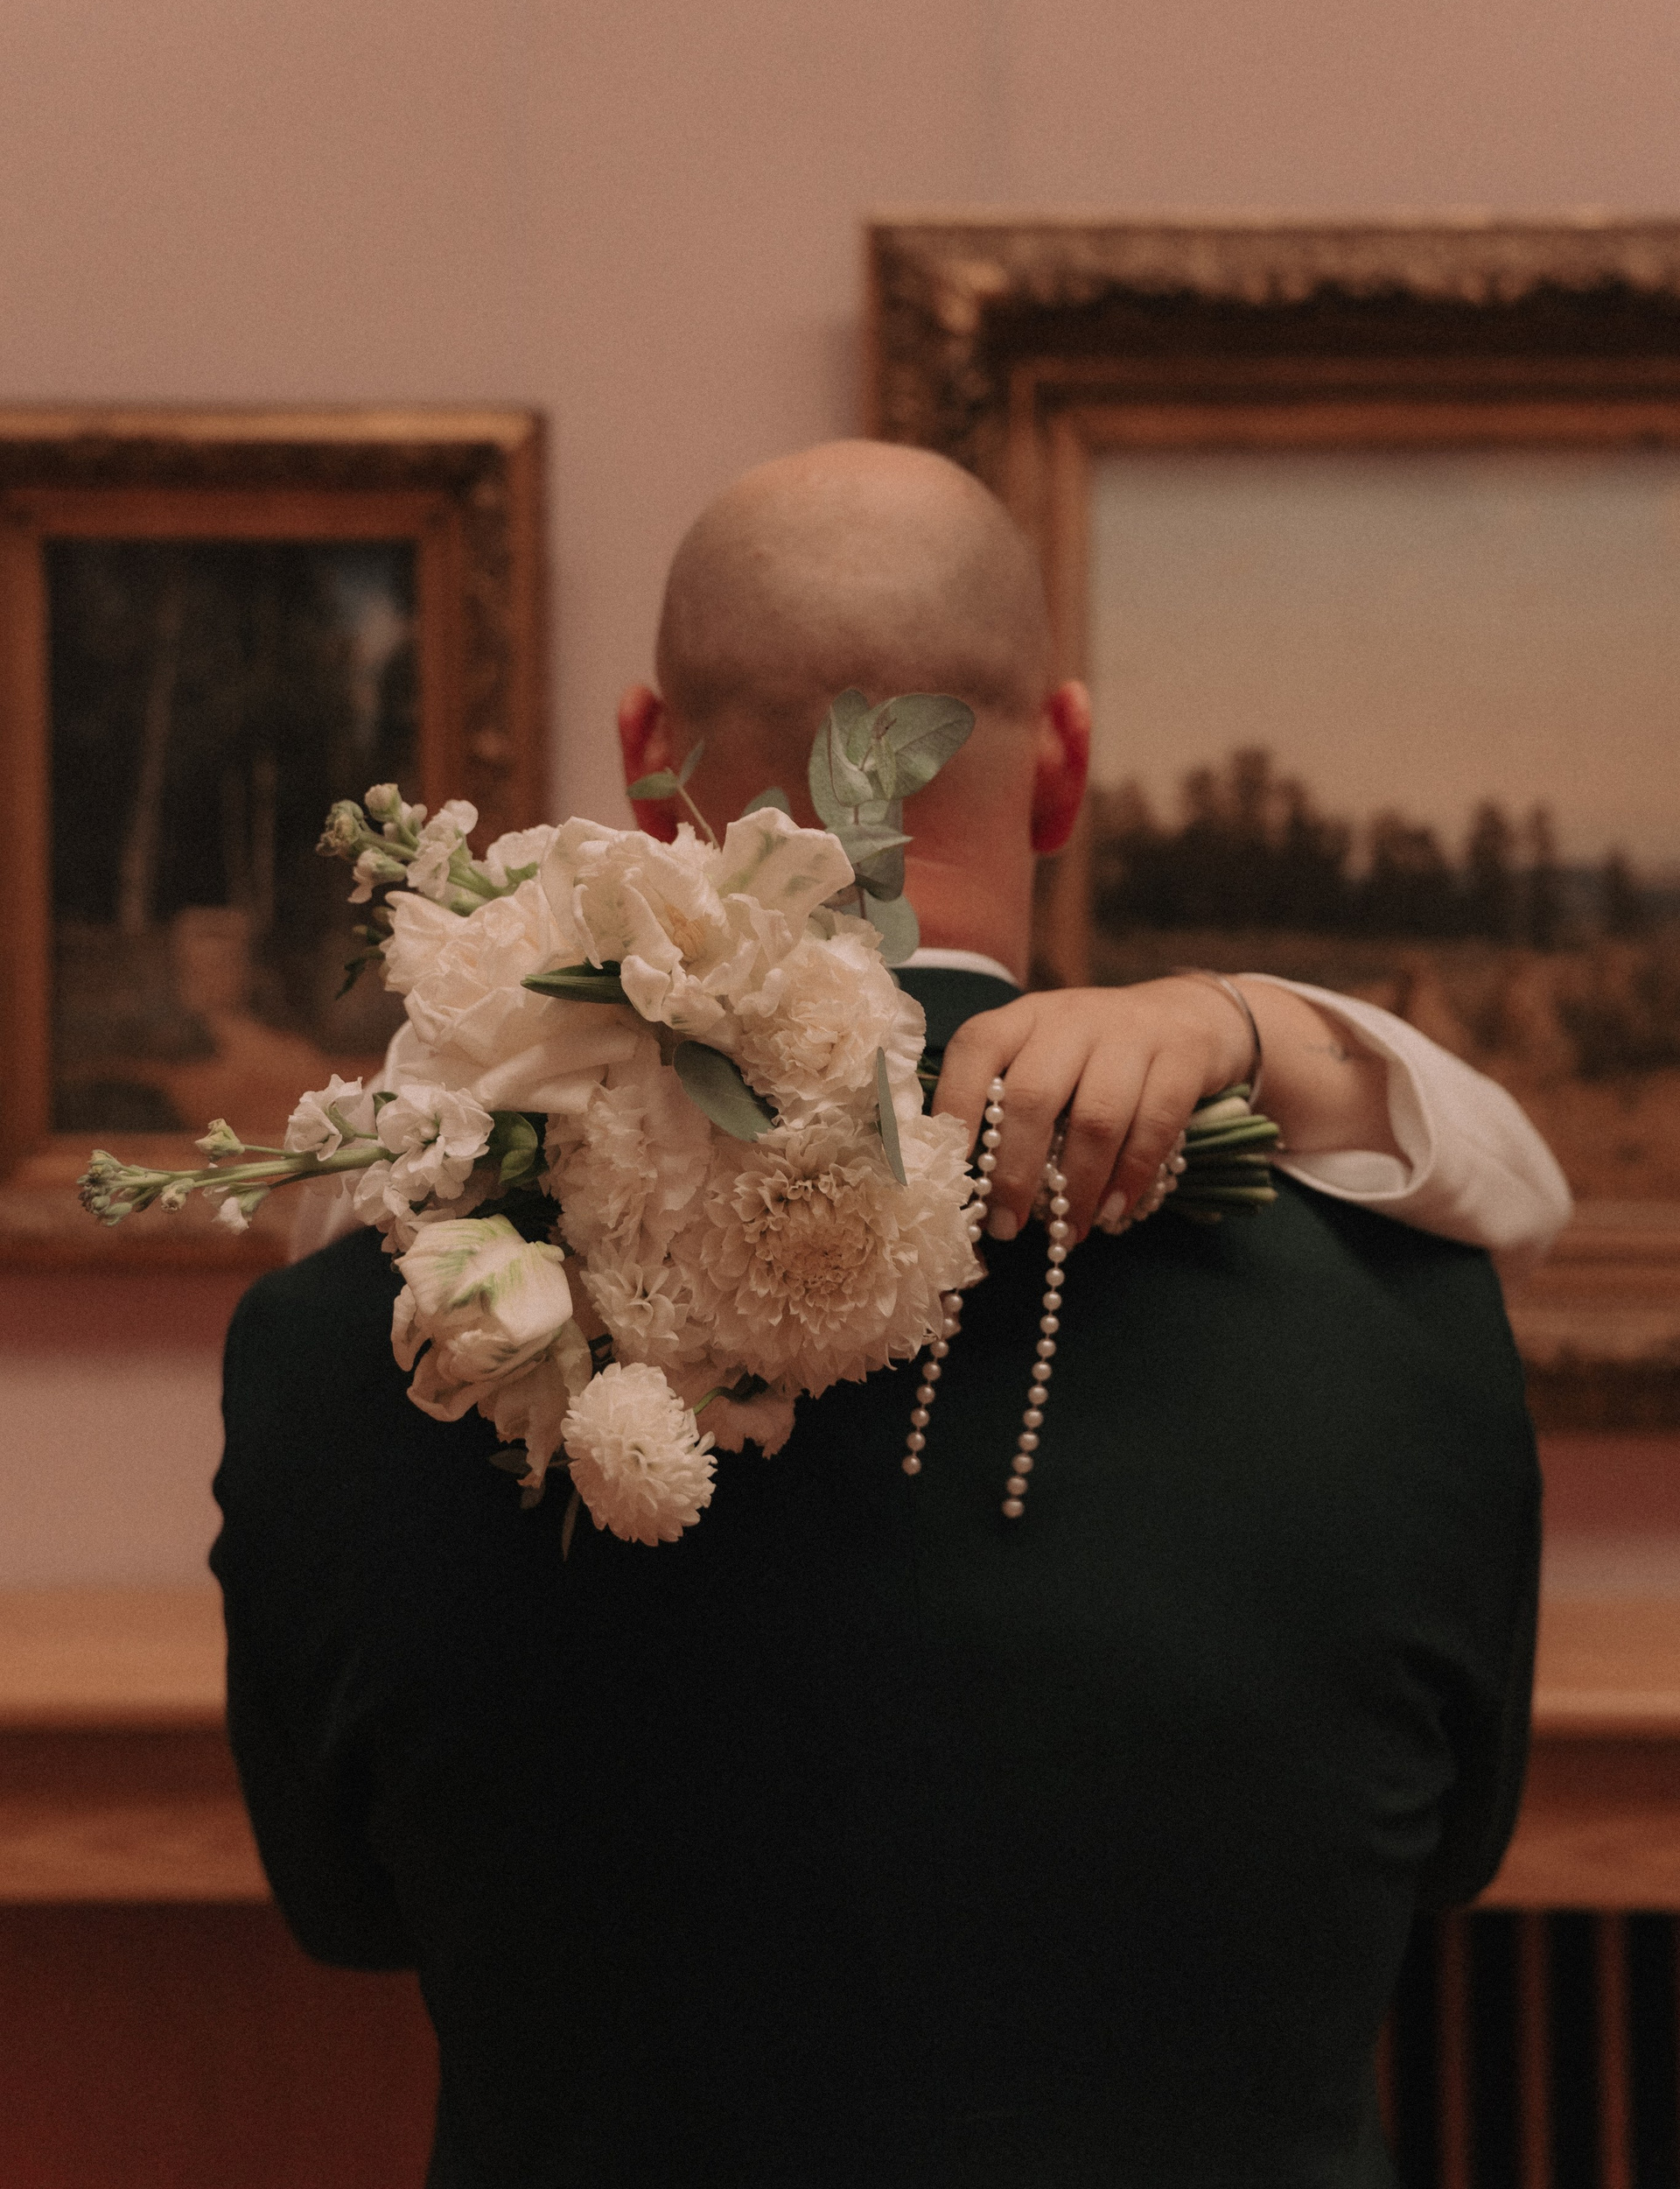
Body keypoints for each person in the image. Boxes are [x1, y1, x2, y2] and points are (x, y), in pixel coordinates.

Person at [215, 440, 1564, 2187]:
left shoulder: (366, 1332)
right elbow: (1454, 1850)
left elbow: (341, 1906)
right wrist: (1263, 1022)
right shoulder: (1407, 1317)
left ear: (646, 760)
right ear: (1063, 762)